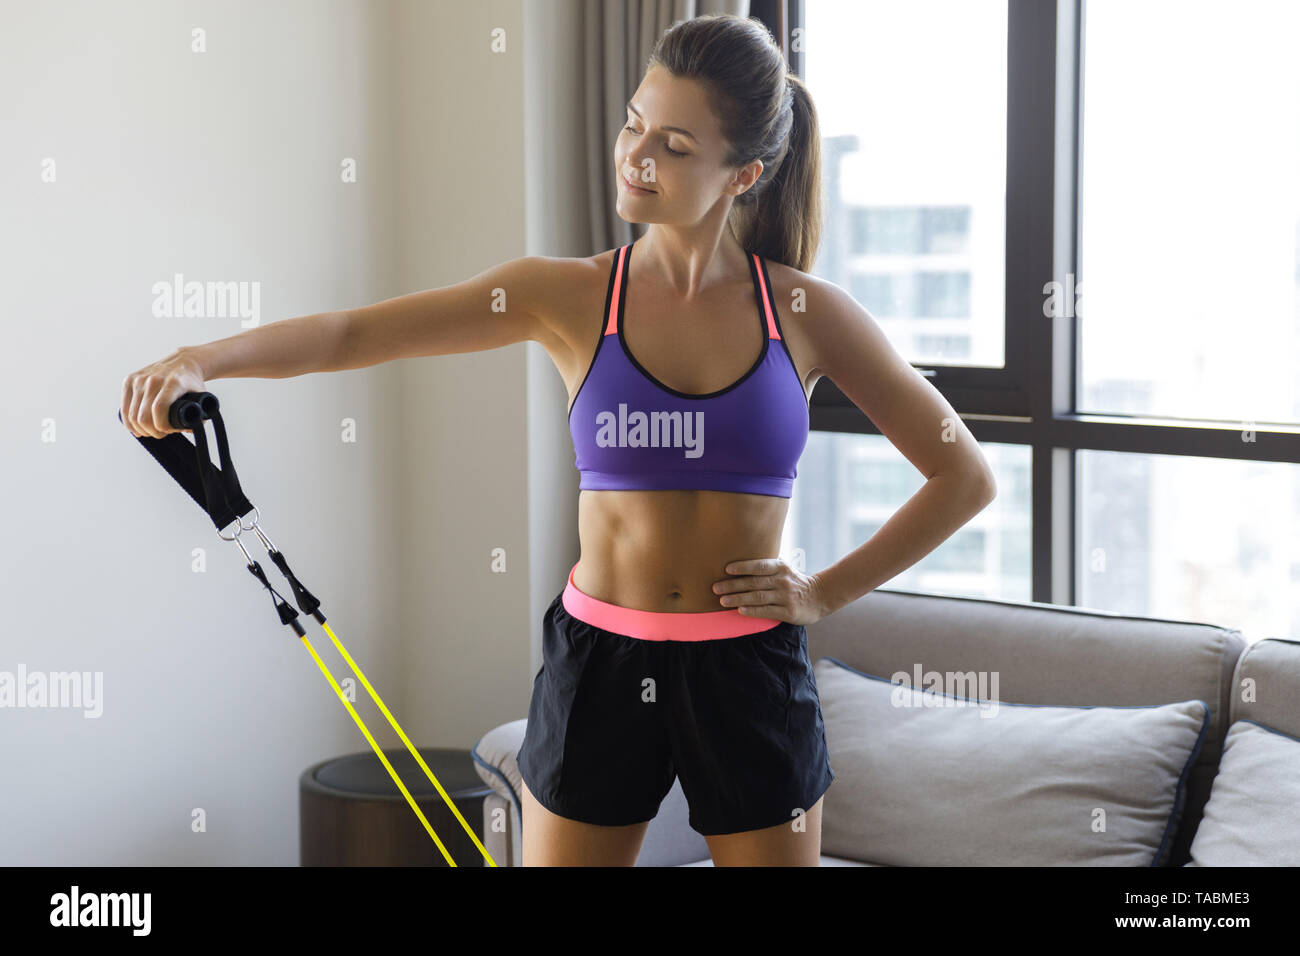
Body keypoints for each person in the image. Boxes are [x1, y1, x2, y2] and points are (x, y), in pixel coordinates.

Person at [120, 14, 996, 866]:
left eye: (675, 147)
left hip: (747, 670)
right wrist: (203, 358)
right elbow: (354, 333)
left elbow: (962, 475)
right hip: (601, 665)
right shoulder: (567, 296)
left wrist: (823, 592)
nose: (636, 156)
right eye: (633, 124)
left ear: (744, 174)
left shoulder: (804, 312)